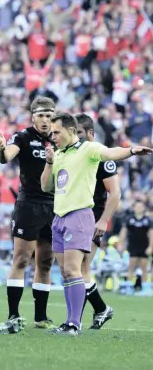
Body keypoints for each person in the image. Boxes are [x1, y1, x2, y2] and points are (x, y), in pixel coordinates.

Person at [41, 111, 152, 335]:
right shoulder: (60, 155)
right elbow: (46, 187)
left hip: (79, 215)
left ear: (70, 131)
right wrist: (49, 162)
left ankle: (74, 323)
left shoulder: (88, 149)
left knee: (75, 270)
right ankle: (70, 322)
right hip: (59, 218)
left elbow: (111, 153)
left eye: (56, 132)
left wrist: (131, 150)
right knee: (65, 272)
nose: (53, 136)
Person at [0, 96, 56, 331]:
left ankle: (41, 317)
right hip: (28, 204)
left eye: (49, 116)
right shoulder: (23, 136)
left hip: (53, 206)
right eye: (41, 115)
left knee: (46, 262)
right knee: (21, 259)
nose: (45, 120)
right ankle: (13, 315)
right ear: (33, 117)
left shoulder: (60, 139)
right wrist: (1, 152)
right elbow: (6, 156)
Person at [76, 113, 119, 329]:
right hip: (75, 214)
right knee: (76, 268)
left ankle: (75, 321)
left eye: (80, 134)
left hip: (94, 216)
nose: (76, 138)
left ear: (91, 134)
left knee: (81, 267)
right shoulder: (74, 154)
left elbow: (115, 193)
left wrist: (103, 221)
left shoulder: (102, 156)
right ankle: (101, 309)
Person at [119, 200, 153, 292]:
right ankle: (129, 287)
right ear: (134, 208)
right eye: (137, 206)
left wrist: (150, 247)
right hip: (133, 246)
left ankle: (145, 288)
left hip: (144, 246)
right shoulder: (129, 219)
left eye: (140, 207)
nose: (139, 208)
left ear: (144, 208)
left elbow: (151, 234)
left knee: (144, 267)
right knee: (131, 267)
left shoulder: (148, 220)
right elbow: (123, 232)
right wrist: (121, 244)